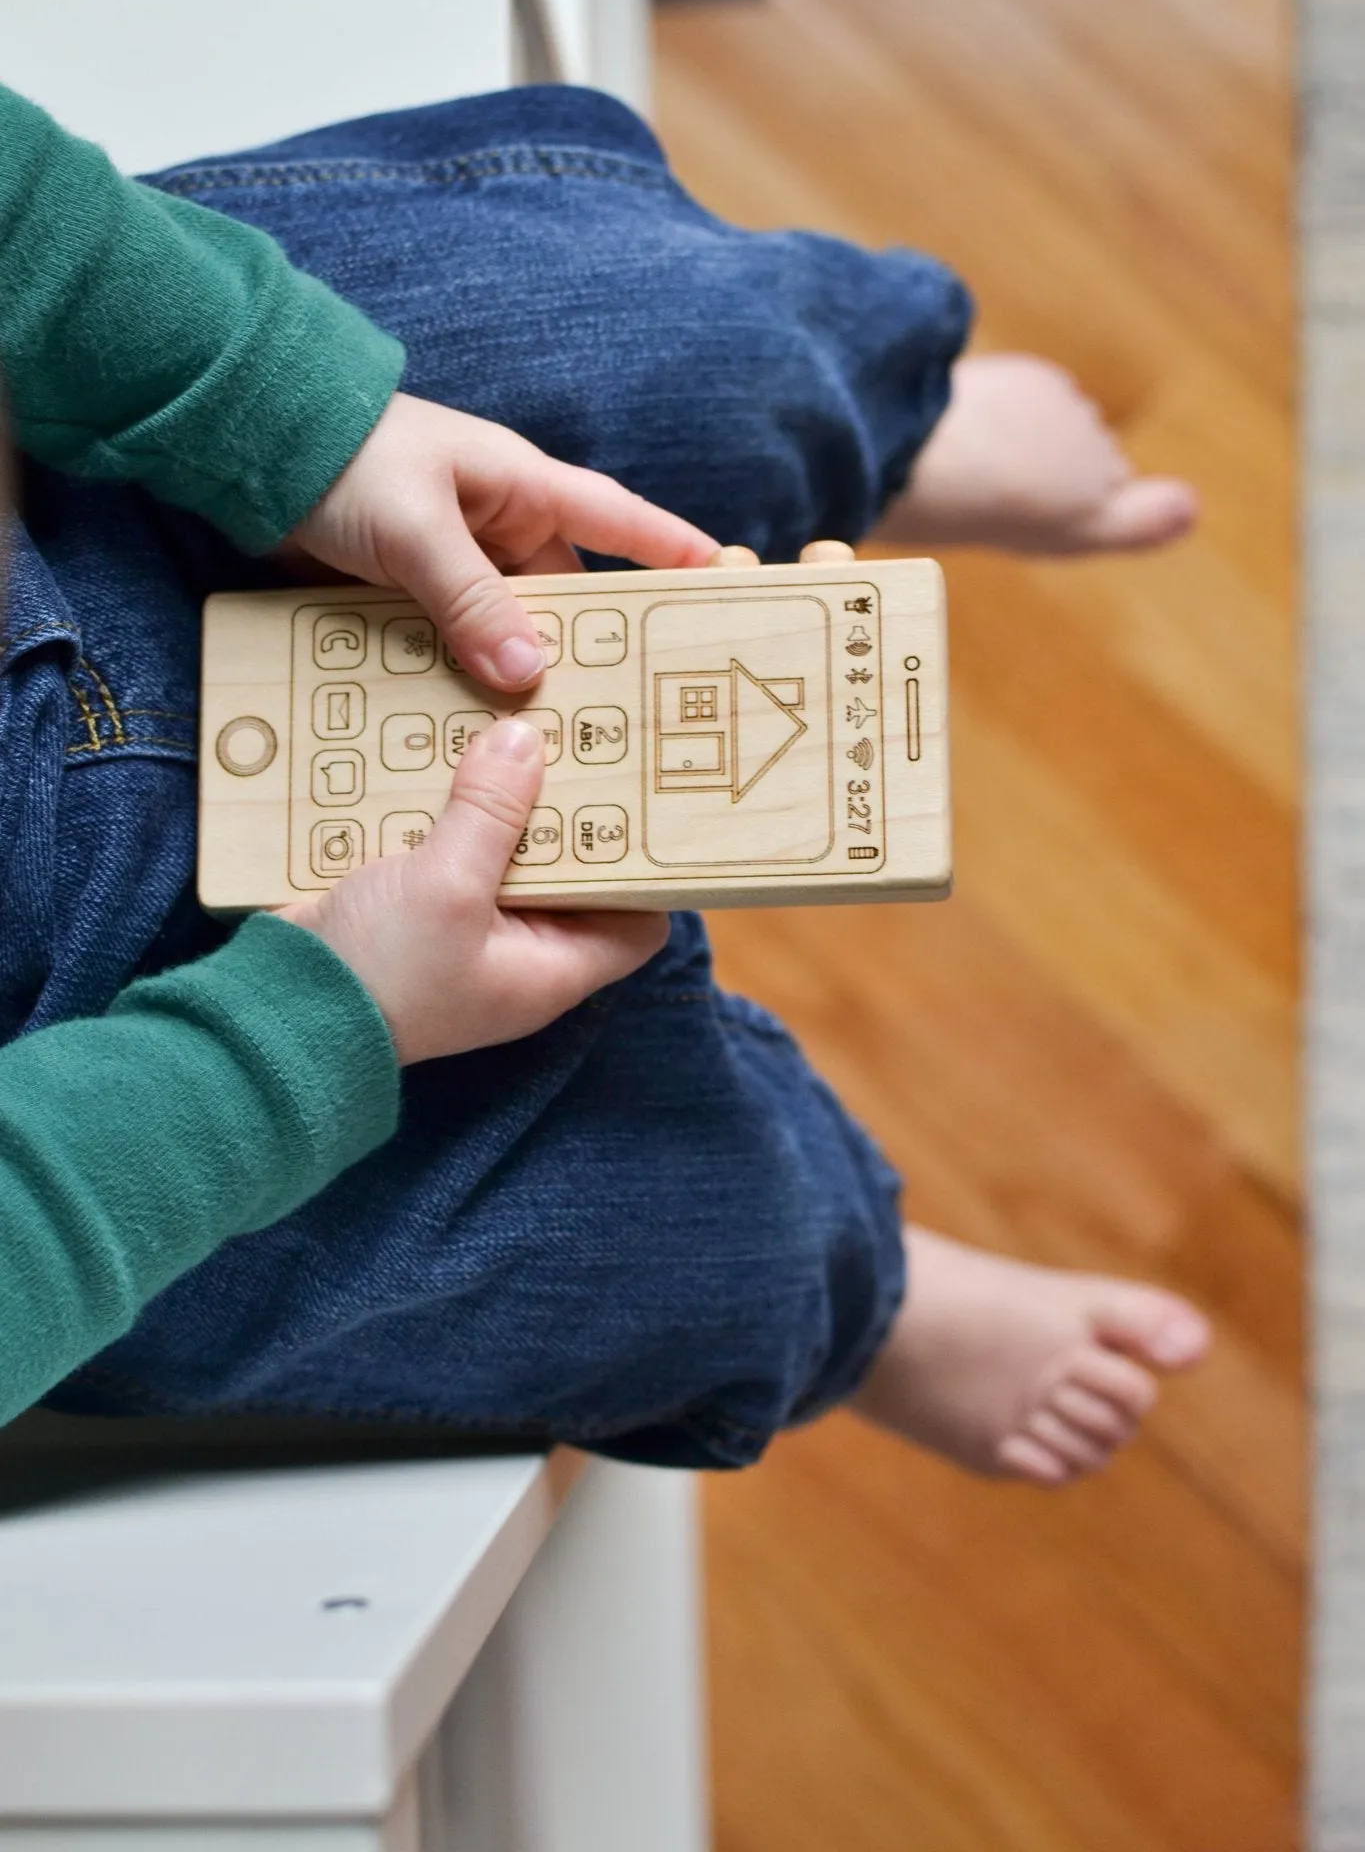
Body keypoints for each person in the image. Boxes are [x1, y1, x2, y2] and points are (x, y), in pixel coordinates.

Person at [1, 82, 1209, 1484]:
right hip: (80, 1075)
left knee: (636, 333)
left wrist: (296, 414)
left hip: (86, 463)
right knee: (661, 1233)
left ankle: (877, 425)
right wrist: (292, 1047)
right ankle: (853, 1280)